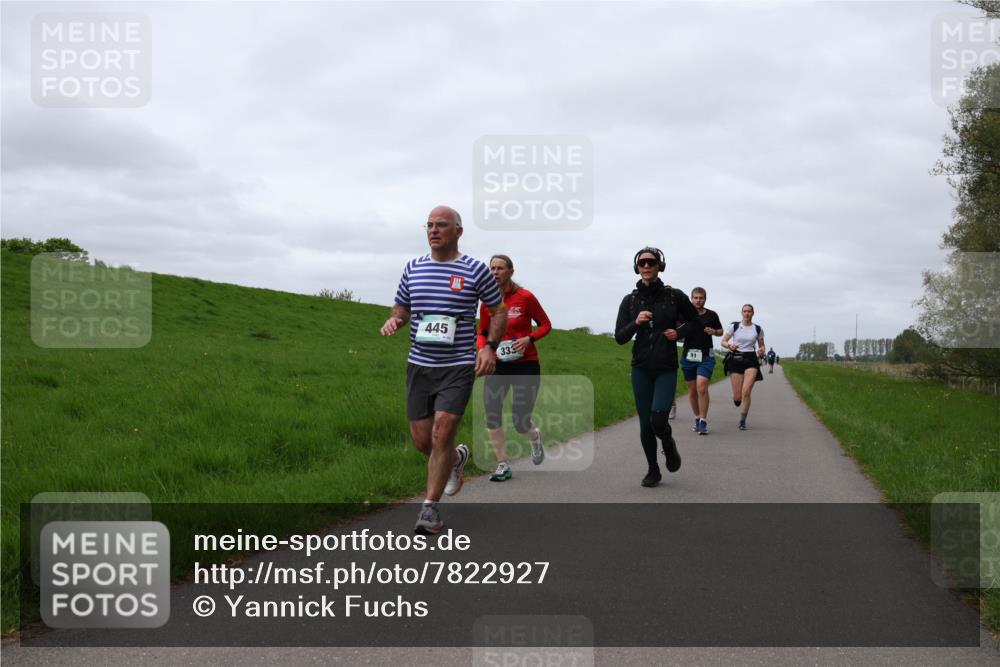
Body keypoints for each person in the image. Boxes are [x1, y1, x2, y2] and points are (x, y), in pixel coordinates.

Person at [381, 205, 507, 534]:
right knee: (424, 441)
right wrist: (396, 318)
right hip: (419, 366)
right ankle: (455, 459)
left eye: (442, 225)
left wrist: (489, 349)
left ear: (458, 231)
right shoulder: (413, 268)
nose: (434, 230)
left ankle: (429, 510)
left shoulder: (475, 270)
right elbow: (402, 305)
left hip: (458, 366)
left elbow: (498, 311)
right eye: (430, 225)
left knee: (442, 432)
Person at [615, 247, 700, 487]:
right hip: (640, 368)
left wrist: (679, 332)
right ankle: (653, 469)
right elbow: (619, 337)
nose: (646, 266)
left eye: (651, 262)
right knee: (645, 423)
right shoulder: (630, 300)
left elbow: (695, 322)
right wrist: (635, 322)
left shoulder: (674, 296)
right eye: (642, 263)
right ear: (637, 267)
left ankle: (669, 444)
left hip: (665, 367)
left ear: (659, 265)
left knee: (658, 420)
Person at [476, 255, 552, 482]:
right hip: (497, 364)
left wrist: (529, 338)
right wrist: (483, 350)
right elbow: (481, 331)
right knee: (492, 414)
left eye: (500, 268)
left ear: (510, 271)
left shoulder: (525, 297)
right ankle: (502, 464)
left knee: (520, 420)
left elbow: (546, 325)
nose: (495, 272)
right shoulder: (487, 302)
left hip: (526, 365)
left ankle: (535, 437)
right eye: (492, 268)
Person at [679, 287, 723, 435]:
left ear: (705, 299)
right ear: (691, 299)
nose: (698, 300)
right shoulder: (684, 315)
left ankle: (703, 421)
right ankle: (697, 417)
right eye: (695, 298)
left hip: (706, 356)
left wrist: (714, 331)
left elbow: (721, 331)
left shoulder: (712, 315)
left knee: (702, 387)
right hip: (689, 356)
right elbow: (677, 330)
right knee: (692, 391)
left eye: (701, 298)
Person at [719, 305, 766, 431]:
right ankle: (737, 400)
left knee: (746, 392)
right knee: (738, 397)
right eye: (745, 311)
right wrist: (729, 345)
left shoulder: (757, 328)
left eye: (749, 311)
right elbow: (723, 341)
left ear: (753, 313)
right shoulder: (734, 326)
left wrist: (761, 350)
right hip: (736, 359)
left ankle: (742, 420)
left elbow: (762, 345)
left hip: (751, 359)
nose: (747, 313)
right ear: (741, 313)